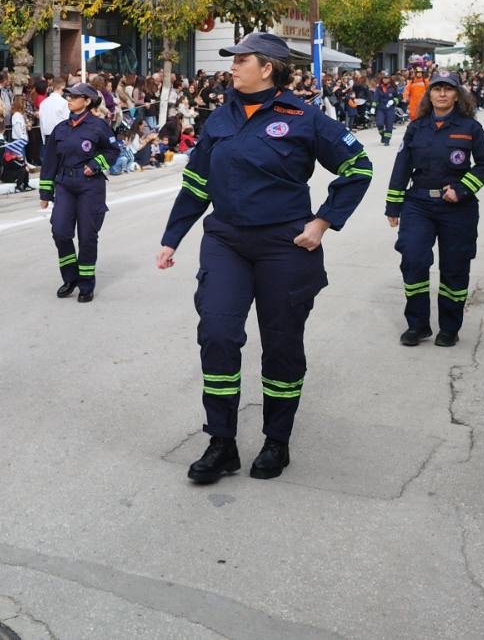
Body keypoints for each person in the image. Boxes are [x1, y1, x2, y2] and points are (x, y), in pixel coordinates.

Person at [156, 32, 373, 485]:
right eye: (232, 60)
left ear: (268, 67)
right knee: (217, 334)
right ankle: (222, 443)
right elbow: (197, 183)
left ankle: (277, 441)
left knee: (281, 345)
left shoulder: (304, 118)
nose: (232, 67)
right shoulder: (219, 117)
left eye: (241, 60)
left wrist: (322, 222)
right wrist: (173, 237)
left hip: (285, 247)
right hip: (227, 241)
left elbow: (358, 167)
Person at [384, 73, 484, 347]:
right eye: (437, 89)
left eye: (448, 89)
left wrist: (461, 189)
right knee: (413, 259)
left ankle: (450, 327)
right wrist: (393, 205)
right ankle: (418, 325)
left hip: (457, 209)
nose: (442, 94)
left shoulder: (470, 127)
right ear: (429, 94)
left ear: (458, 95)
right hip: (419, 203)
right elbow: (402, 166)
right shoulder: (416, 127)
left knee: (455, 268)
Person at [39, 82, 120, 303]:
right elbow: (49, 162)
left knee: (87, 237)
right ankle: (70, 277)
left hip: (90, 186)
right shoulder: (61, 128)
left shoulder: (99, 126)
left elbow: (113, 150)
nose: (70, 100)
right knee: (60, 231)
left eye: (74, 97)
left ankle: (86, 284)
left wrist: (96, 164)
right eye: (69, 97)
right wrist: (45, 194)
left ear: (86, 101)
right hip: (64, 184)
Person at [372, 75, 399, 146]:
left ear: (389, 79)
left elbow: (398, 97)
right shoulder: (379, 88)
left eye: (387, 78)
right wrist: (373, 107)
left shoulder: (393, 88)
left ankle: (387, 140)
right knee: (379, 123)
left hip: (390, 109)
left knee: (389, 124)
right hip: (380, 108)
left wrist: (393, 101)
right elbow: (376, 98)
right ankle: (383, 135)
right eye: (384, 78)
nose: (385, 80)